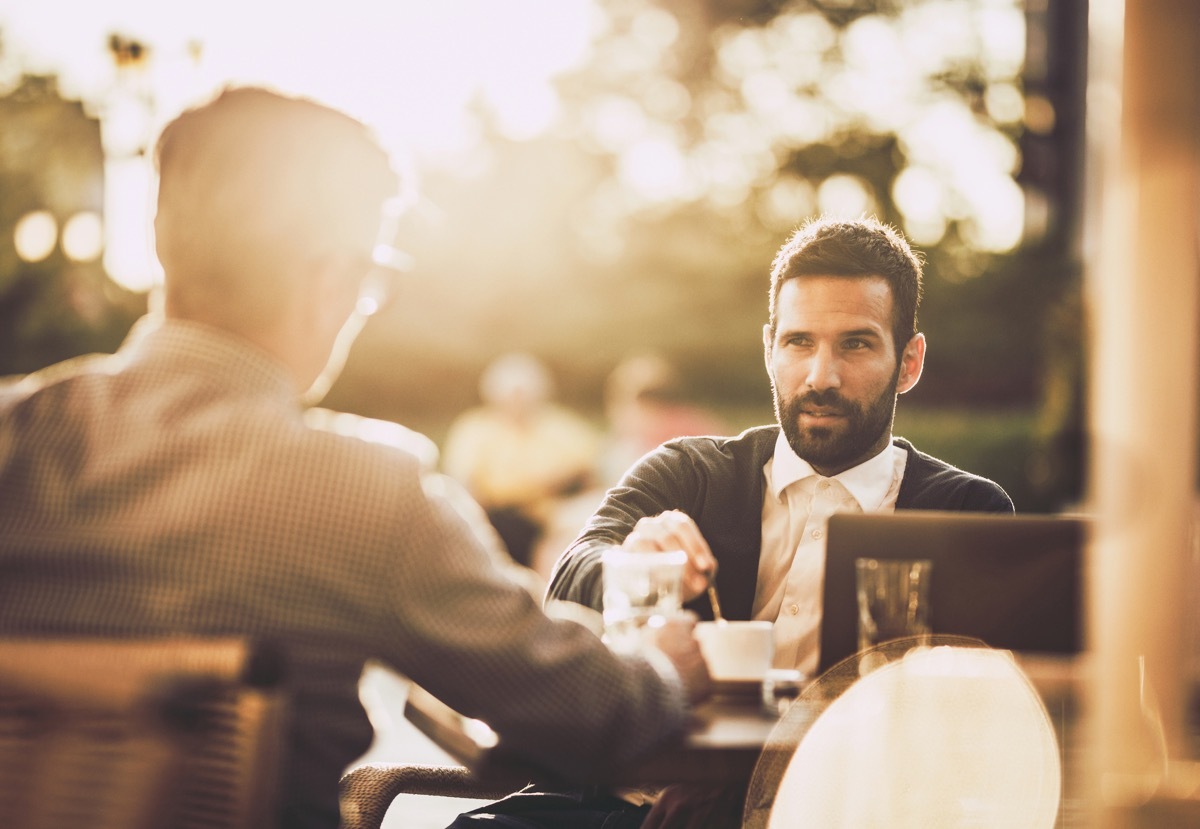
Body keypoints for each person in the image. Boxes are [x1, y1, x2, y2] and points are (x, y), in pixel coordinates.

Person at [0, 86, 711, 829]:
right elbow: (591, 716)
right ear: (329, 279)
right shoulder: (367, 491)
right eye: (372, 281)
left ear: (159, 245)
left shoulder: (12, 431)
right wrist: (663, 665)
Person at [453, 216, 1013, 829]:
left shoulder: (966, 513)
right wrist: (633, 568)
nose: (820, 376)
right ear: (770, 347)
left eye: (855, 343)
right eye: (800, 342)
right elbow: (570, 579)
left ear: (909, 362)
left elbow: (981, 734)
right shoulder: (687, 471)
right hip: (620, 806)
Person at [442, 352, 601, 569]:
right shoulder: (475, 430)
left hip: (555, 518)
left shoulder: (562, 427)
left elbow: (588, 476)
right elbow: (467, 488)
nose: (518, 402)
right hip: (501, 520)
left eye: (524, 394)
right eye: (512, 395)